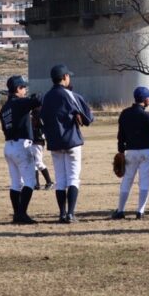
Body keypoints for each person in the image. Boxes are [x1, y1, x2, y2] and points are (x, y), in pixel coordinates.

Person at [39, 64, 94, 223]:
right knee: (73, 178)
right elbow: (88, 119)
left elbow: (41, 120)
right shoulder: (70, 95)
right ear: (64, 77)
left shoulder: (46, 97)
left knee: (60, 179)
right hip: (71, 140)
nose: (69, 78)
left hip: (54, 142)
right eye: (68, 76)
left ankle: (62, 214)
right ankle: (70, 214)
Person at [113, 86, 149, 220]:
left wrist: (121, 150)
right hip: (146, 151)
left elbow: (121, 134)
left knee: (127, 180)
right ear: (147, 99)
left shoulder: (125, 113)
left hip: (130, 150)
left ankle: (120, 210)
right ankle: (140, 211)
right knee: (144, 180)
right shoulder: (146, 115)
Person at [0, 75, 41, 224]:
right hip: (21, 145)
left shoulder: (4, 108)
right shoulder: (20, 103)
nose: (25, 90)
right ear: (18, 89)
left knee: (16, 183)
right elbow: (38, 101)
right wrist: (36, 97)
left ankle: (17, 213)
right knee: (30, 181)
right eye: (23, 87)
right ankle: (22, 213)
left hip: (8, 145)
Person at [31, 103, 54, 190]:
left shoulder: (38, 112)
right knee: (34, 163)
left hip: (38, 140)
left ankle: (49, 182)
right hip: (34, 140)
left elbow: (41, 125)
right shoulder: (34, 112)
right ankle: (36, 184)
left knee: (38, 162)